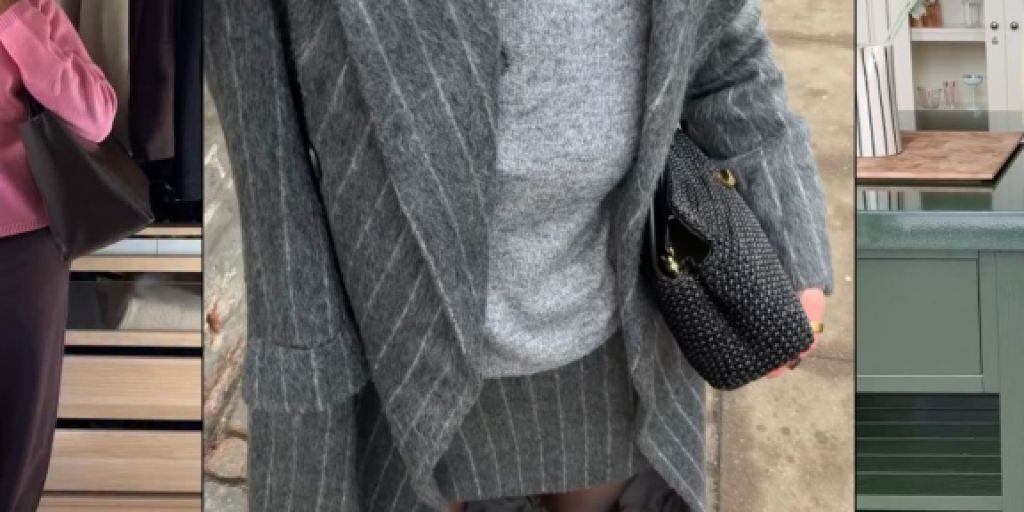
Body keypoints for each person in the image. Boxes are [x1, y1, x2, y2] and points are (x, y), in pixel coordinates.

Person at [205, 1, 830, 511]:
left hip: (614, 349)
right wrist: (305, 428)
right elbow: (275, 187)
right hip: (396, 369)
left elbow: (725, 58)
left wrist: (790, 237)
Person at [0, 0, 116, 509]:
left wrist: (15, 20)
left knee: (19, 443)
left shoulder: (31, 7)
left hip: (24, 248)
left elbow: (96, 118)